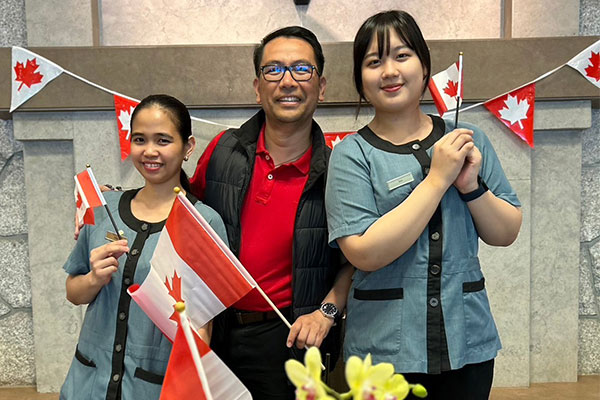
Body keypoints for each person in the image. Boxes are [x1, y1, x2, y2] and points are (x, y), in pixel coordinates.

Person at [325, 11, 522, 400]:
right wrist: (436, 180)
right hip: (383, 353)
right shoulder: (351, 154)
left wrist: (470, 187)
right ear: (361, 81)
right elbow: (363, 251)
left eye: (402, 55)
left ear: (424, 65)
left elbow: (506, 231)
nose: (389, 71)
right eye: (374, 61)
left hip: (467, 339)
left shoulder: (469, 138)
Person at [190, 26, 353, 399]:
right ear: (257, 86)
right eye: (274, 70)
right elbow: (185, 215)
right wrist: (124, 205)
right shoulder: (223, 151)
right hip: (216, 332)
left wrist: (326, 313)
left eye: (302, 69)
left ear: (321, 86)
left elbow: (356, 261)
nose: (288, 81)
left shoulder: (338, 171)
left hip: (290, 341)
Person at [61, 94, 228, 400]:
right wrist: (94, 279)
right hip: (87, 385)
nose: (150, 151)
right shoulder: (103, 208)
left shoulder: (204, 223)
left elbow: (203, 330)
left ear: (188, 147)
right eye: (140, 139)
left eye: (163, 140)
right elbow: (73, 293)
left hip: (154, 387)